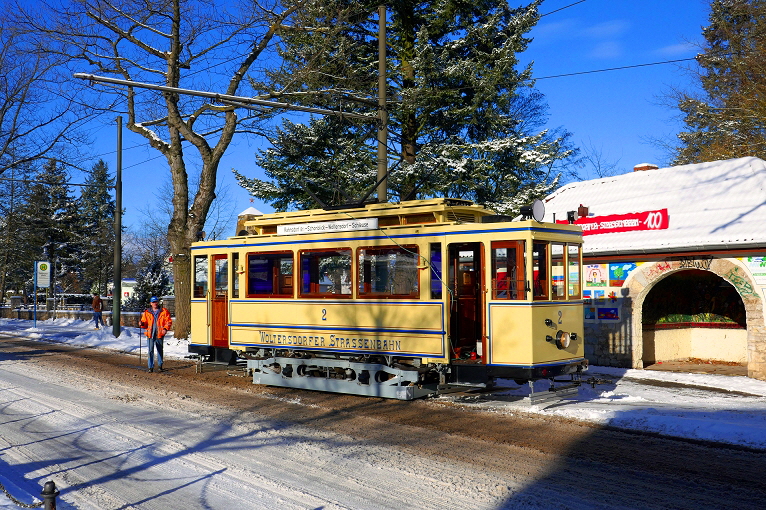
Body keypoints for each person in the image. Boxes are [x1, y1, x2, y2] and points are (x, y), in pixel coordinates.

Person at [139, 296, 172, 373]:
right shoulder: (147, 312)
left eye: (156, 302)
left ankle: (160, 365)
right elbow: (144, 323)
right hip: (150, 334)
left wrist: (165, 329)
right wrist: (142, 323)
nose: (155, 303)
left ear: (158, 302)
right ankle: (150, 367)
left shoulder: (164, 311)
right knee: (150, 350)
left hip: (159, 333)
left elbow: (168, 321)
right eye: (153, 302)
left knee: (159, 350)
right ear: (151, 303)